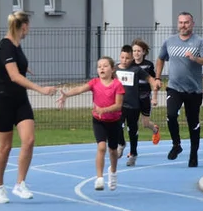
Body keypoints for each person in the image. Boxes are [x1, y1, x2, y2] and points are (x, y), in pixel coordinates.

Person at [0, 11, 57, 204]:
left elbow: (17, 67)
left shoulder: (17, 46)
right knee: (5, 147)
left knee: (28, 140)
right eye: (29, 27)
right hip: (2, 101)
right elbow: (14, 76)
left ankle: (20, 183)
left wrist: (24, 67)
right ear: (24, 26)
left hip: (20, 100)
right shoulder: (5, 46)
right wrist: (41, 89)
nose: (29, 30)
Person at [155, 12, 203, 167]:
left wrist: (196, 59)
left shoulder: (199, 42)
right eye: (181, 22)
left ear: (192, 24)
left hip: (194, 90)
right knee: (171, 115)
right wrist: (157, 77)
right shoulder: (170, 41)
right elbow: (161, 58)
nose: (183, 25)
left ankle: (193, 154)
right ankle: (176, 144)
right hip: (174, 88)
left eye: (186, 22)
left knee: (192, 122)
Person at [58, 57, 126, 191]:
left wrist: (104, 110)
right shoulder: (94, 83)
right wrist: (66, 94)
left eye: (105, 66)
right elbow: (79, 89)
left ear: (112, 69)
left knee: (112, 150)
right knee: (101, 147)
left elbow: (118, 106)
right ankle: (99, 178)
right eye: (99, 66)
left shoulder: (117, 85)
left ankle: (113, 172)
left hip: (114, 121)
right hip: (98, 121)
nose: (101, 68)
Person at [116, 44, 161, 166]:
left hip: (133, 105)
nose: (124, 60)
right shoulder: (115, 69)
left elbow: (149, 78)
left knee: (132, 130)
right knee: (117, 126)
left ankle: (133, 154)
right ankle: (121, 143)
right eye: (122, 57)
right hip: (119, 105)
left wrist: (154, 84)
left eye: (127, 58)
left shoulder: (136, 69)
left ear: (131, 59)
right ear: (120, 57)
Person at [130, 39, 162, 147]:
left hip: (145, 97)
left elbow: (155, 82)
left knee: (145, 124)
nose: (136, 53)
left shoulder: (149, 65)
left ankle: (155, 129)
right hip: (132, 99)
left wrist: (155, 98)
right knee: (132, 124)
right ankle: (133, 149)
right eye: (134, 51)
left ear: (144, 52)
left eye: (138, 51)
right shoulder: (129, 65)